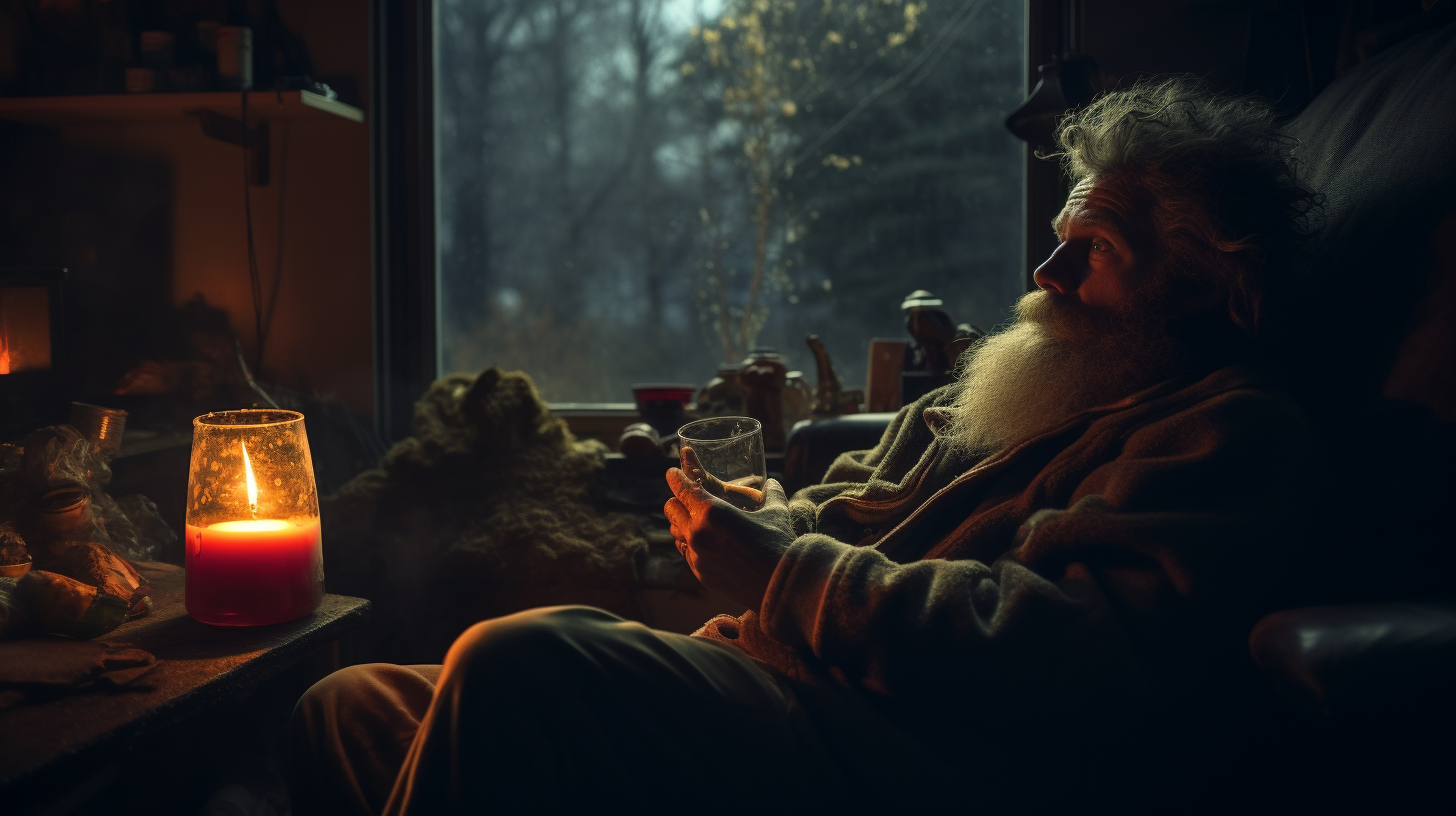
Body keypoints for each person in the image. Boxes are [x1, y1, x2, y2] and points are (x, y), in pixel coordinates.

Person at [290, 77, 1323, 815]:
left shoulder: (1223, 429)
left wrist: (784, 572)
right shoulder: (1032, 386)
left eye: (1091, 250)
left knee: (514, 659)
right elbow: (848, 512)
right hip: (790, 672)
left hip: (916, 744)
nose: (1046, 271)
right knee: (349, 702)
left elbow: (1071, 655)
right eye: (1055, 235)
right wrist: (762, 520)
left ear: (1202, 277)